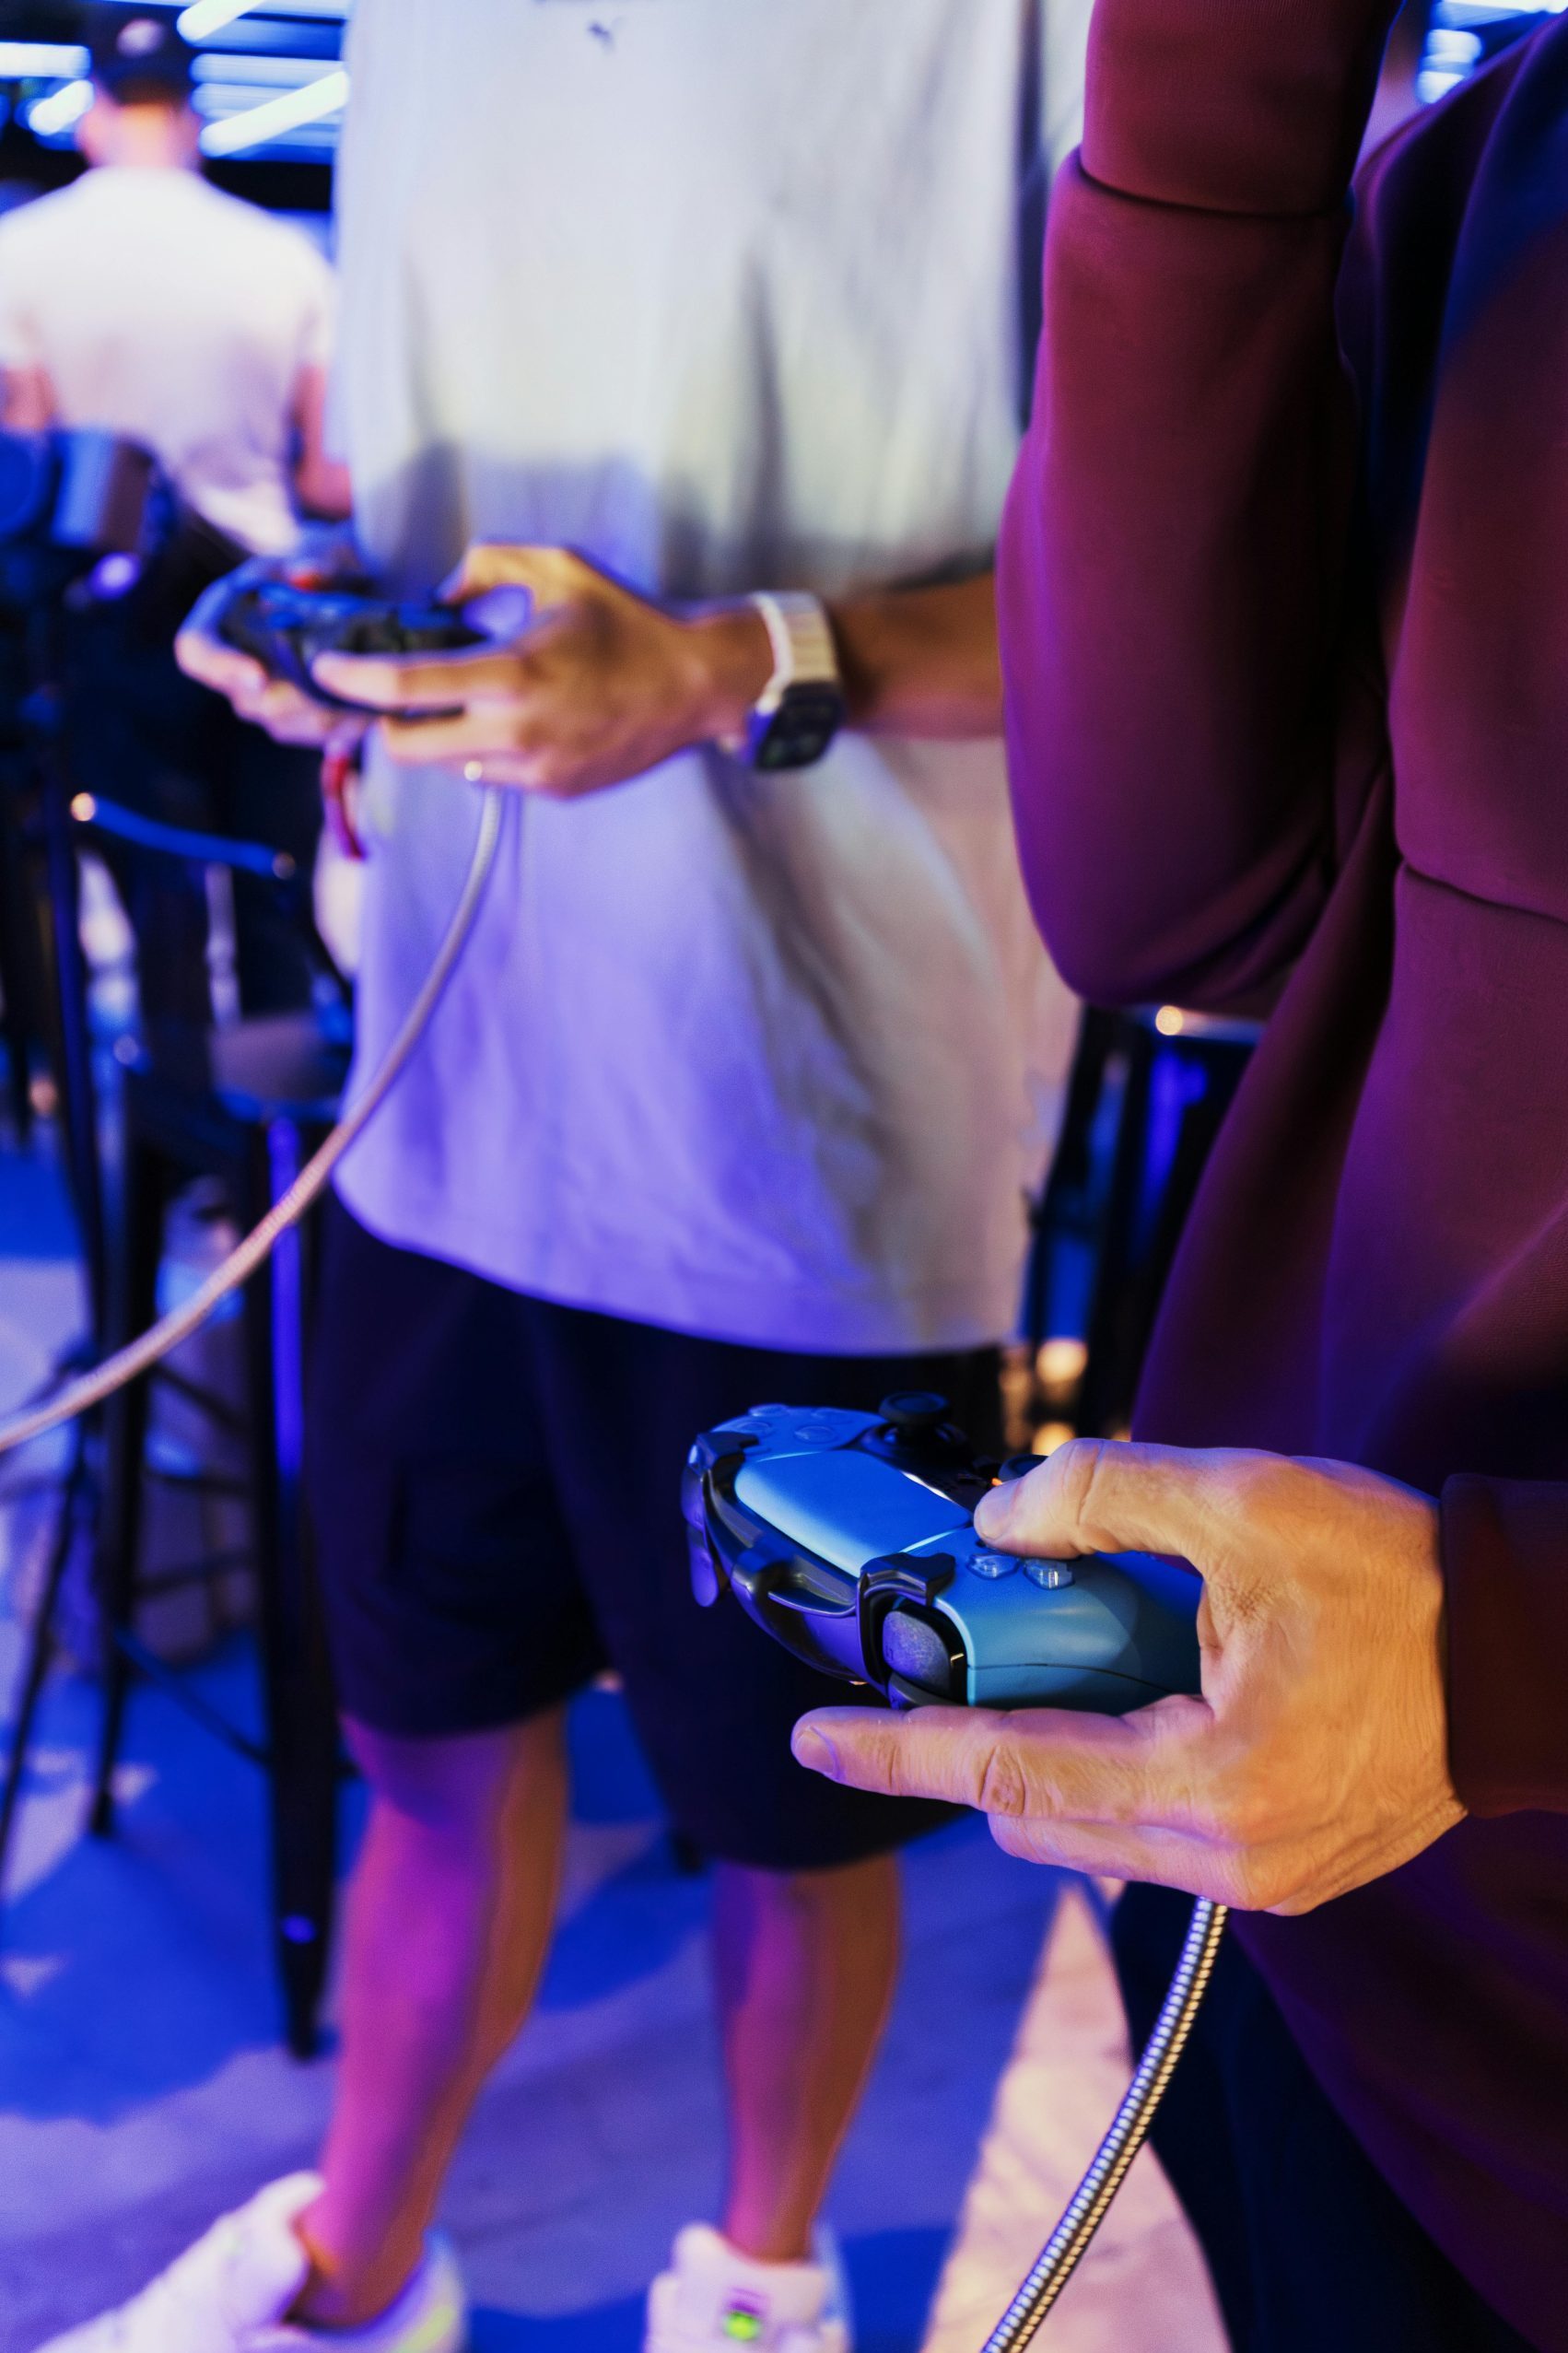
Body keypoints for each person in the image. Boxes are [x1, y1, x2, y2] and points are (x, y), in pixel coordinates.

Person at [35, 5, 1090, 2349]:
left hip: (821, 1131)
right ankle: (350, 2273)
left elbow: (1178, 603)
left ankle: (765, 2275)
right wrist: (334, 597)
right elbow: (452, 453)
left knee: (811, 1802)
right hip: (443, 1075)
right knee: (428, 1735)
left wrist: (737, 662)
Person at [791, 4, 1568, 2348]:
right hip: (1310, 1884)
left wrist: (1519, 1650)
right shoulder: (1501, 150)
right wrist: (1214, 116)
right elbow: (1168, 893)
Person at [0, 17, 351, 1027]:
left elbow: (26, 467)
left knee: (162, 900)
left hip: (111, 613)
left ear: (93, 116)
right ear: (193, 118)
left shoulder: (22, 253)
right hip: (268, 599)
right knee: (276, 887)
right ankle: (275, 1160)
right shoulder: (284, 259)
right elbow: (329, 478)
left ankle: (182, 1164)